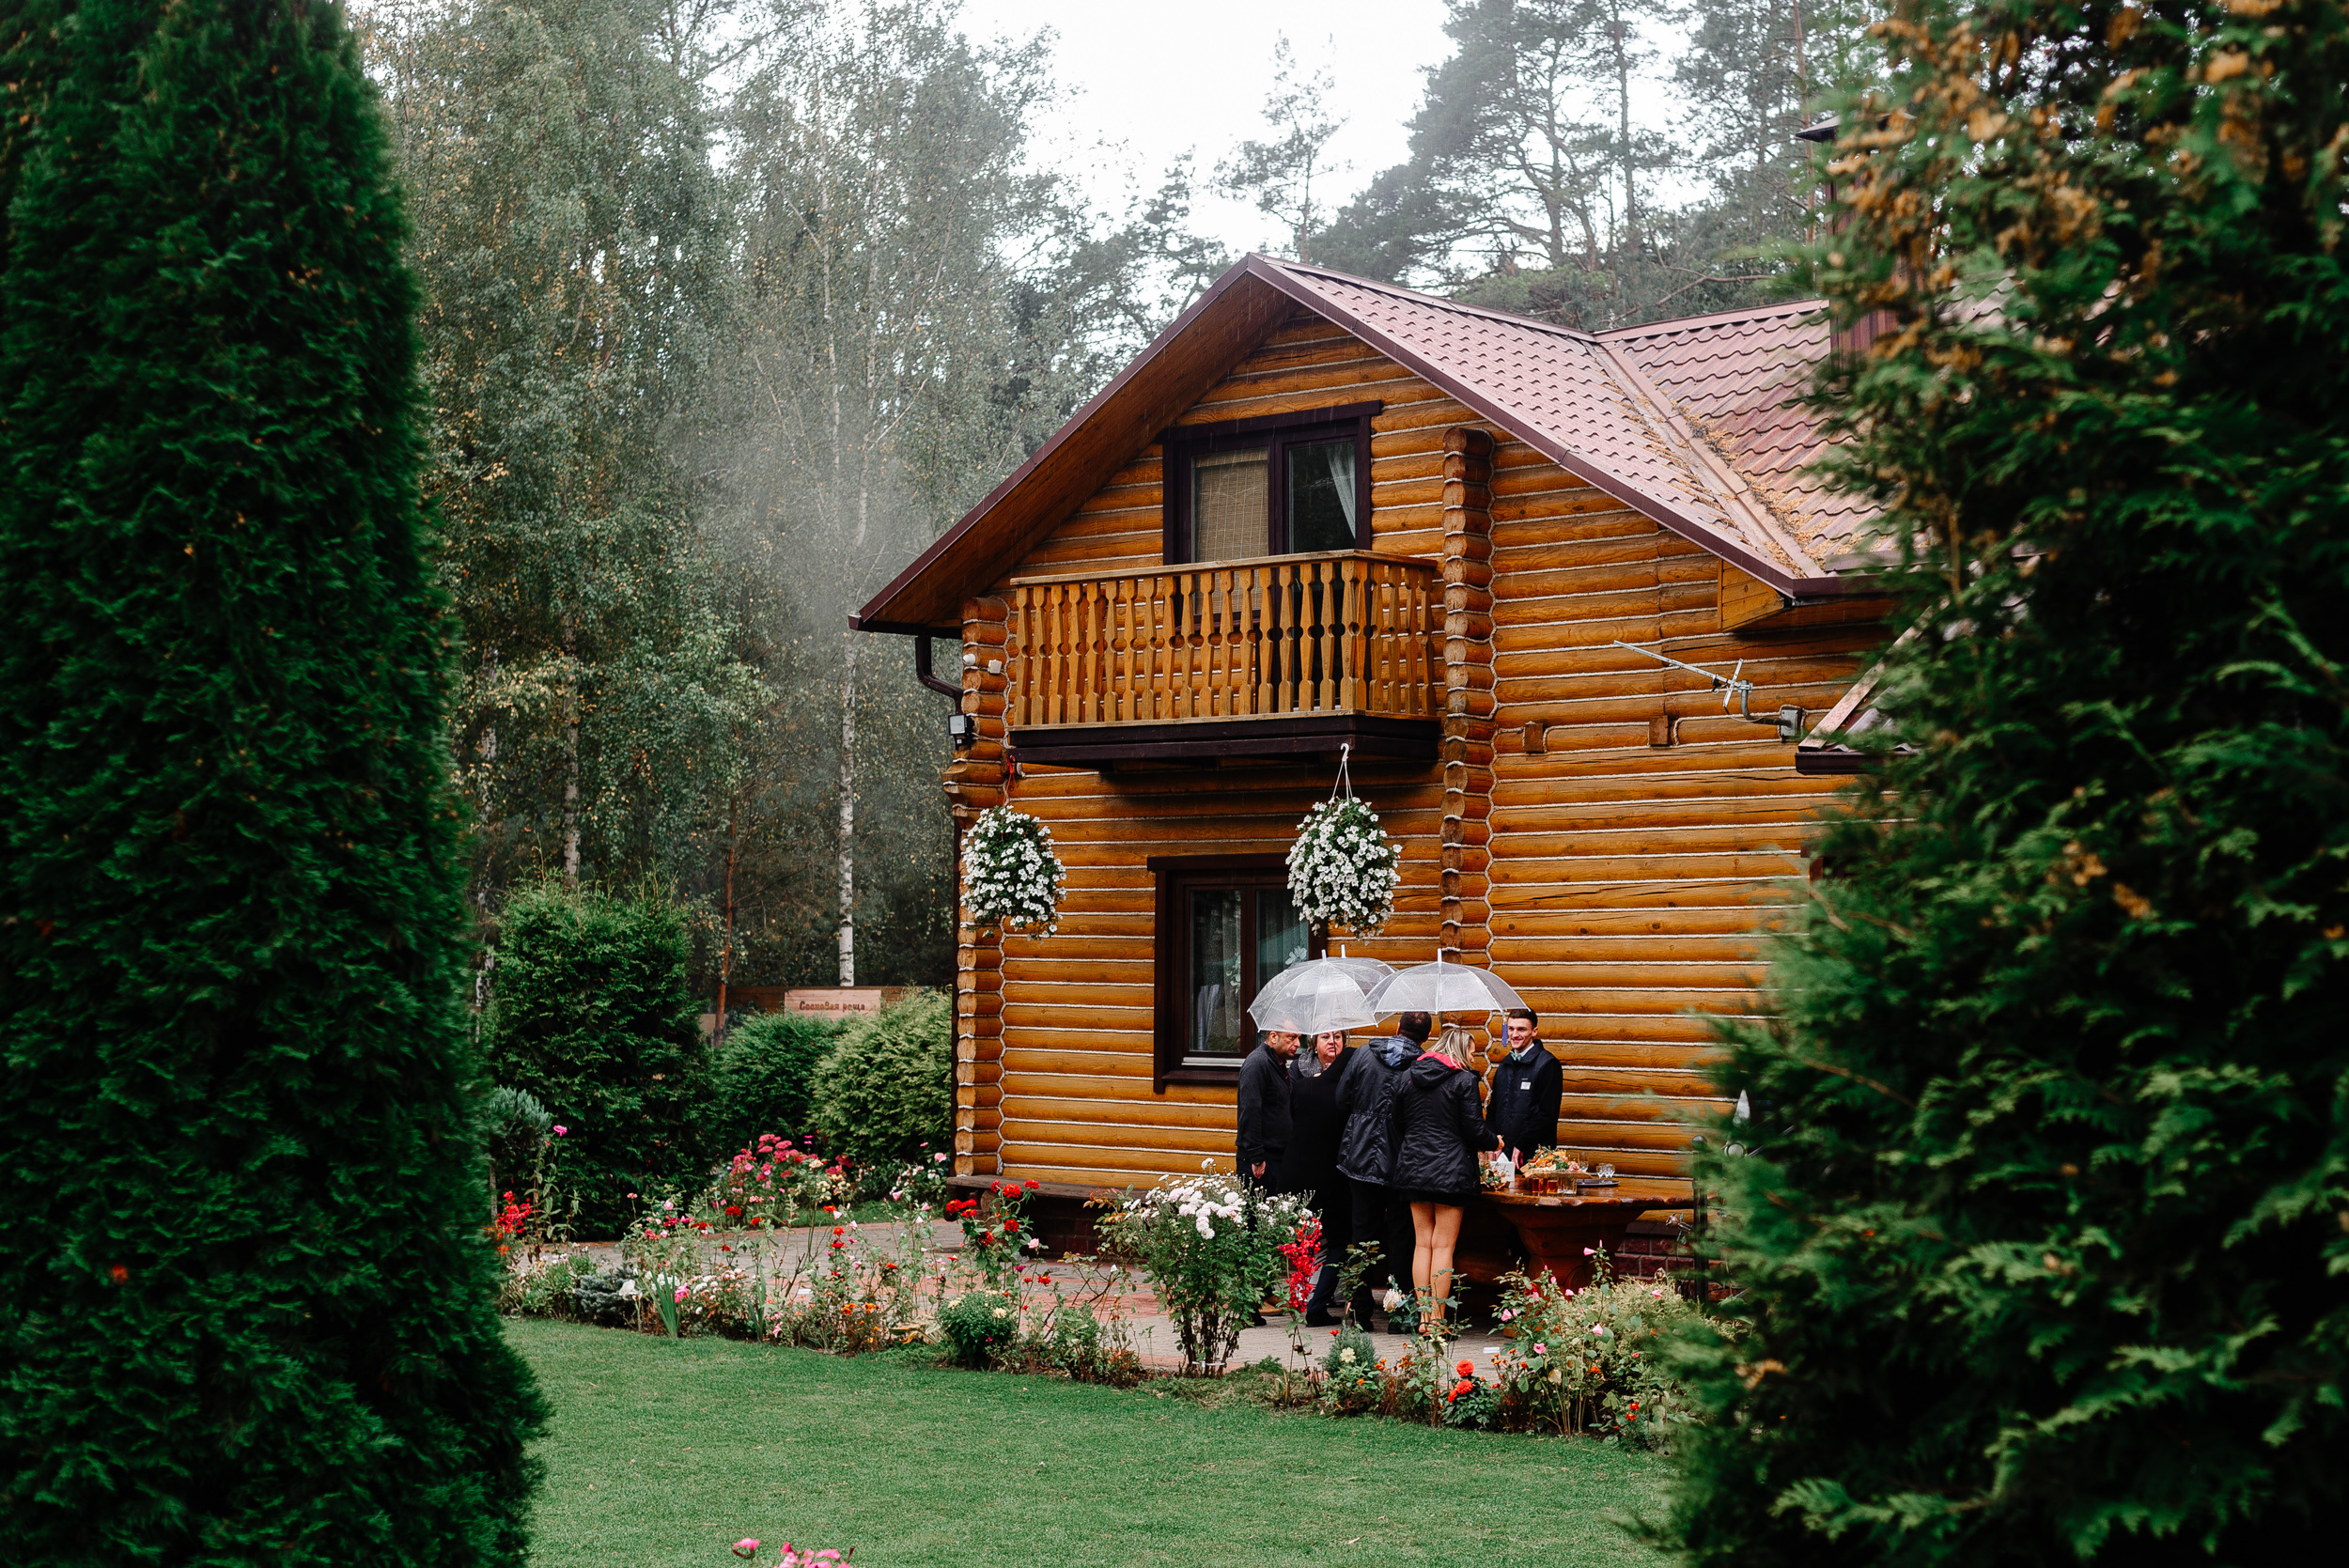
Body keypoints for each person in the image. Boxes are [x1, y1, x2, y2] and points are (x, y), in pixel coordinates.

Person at [1388, 1025, 1498, 1333]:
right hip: (1450, 1172)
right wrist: (1495, 1142)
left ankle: (1423, 1318)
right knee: (1443, 1246)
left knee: (1422, 1243)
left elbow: (1397, 1122)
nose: (1472, 1060)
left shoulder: (1407, 1077)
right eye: (1472, 1053)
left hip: (1412, 1168)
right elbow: (1474, 1130)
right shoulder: (1464, 1080)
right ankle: (1437, 1320)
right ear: (1461, 1051)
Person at [1334, 1009, 1431, 1331]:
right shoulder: (1422, 1064)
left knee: (1362, 1235)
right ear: (1425, 1038)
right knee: (1402, 1237)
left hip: (1360, 1156)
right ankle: (1400, 1314)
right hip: (1403, 1161)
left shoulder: (1362, 1054)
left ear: (1397, 1028)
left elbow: (1341, 1099)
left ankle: (1359, 1313)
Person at [1283, 1029, 1358, 1325]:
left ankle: (1300, 1300)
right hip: (1331, 1178)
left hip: (1299, 1175)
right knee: (1338, 1242)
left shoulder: (1302, 1087)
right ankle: (1315, 1307)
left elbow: (1295, 1120)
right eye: (1326, 1036)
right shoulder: (1346, 1093)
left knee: (1305, 1241)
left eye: (1338, 1036)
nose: (1333, 1041)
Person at [1484, 1007, 1563, 1163]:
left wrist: (1521, 1143)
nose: (1515, 1035)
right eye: (1511, 1029)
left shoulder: (1548, 1065)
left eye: (1521, 1029)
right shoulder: (1504, 1065)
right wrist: (1492, 1141)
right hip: (1502, 1154)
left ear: (1534, 1031)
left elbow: (1547, 1115)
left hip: (1534, 1156)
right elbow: (1493, 1109)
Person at [1235, 1028, 1299, 1193]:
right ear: (1273, 1036)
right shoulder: (1257, 1063)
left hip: (1275, 1157)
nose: (1297, 1044)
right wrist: (1256, 1158)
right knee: (1257, 1217)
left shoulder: (1277, 1064)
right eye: (1291, 1038)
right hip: (1261, 1162)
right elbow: (1249, 1111)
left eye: (1298, 1038)